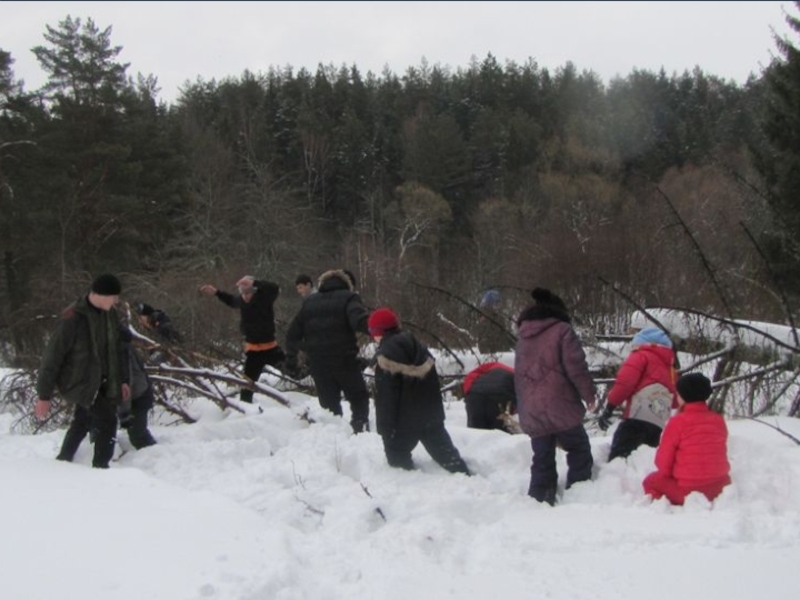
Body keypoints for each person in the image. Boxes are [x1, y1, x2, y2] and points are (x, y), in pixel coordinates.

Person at [35, 274, 131, 469]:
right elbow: (52, 357)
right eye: (114, 297)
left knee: (82, 420)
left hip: (104, 380)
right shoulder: (73, 318)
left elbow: (116, 350)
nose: (116, 301)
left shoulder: (109, 314)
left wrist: (122, 380)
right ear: (101, 295)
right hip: (79, 381)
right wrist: (44, 395)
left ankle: (63, 460)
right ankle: (100, 469)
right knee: (108, 421)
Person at [515, 287, 597, 505]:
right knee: (578, 447)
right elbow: (576, 366)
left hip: (531, 407)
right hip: (560, 403)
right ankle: (579, 494)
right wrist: (589, 394)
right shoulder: (562, 330)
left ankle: (540, 500)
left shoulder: (523, 335)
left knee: (542, 457)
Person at [369, 307, 470, 474]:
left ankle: (410, 485)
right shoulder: (418, 347)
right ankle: (469, 479)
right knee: (449, 458)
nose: (372, 336)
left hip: (402, 424)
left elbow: (387, 398)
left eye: (372, 331)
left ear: (379, 332)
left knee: (398, 464)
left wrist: (386, 430)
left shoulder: (385, 357)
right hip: (430, 418)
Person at [284, 269, 370, 433]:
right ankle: (360, 429)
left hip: (318, 363)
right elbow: (359, 320)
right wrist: (382, 332)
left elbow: (292, 335)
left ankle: (334, 435)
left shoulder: (309, 302)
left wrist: (291, 361)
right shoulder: (349, 297)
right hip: (345, 360)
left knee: (329, 408)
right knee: (358, 398)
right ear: (347, 284)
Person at [642, 373, 731, 505]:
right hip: (720, 487)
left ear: (683, 396)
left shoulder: (677, 422)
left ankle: (663, 505)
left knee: (650, 481)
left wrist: (671, 474)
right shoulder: (718, 420)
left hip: (688, 490)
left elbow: (663, 463)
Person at [200, 275, 285, 403]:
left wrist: (254, 282)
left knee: (292, 372)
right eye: (242, 293)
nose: (245, 296)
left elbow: (274, 288)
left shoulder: (264, 298)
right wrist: (216, 292)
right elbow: (230, 300)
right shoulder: (241, 301)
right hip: (253, 352)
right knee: (246, 387)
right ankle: (246, 408)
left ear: (254, 291)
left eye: (247, 292)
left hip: (270, 348)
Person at [598, 327, 678, 461]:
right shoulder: (670, 368)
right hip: (658, 421)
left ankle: (615, 471)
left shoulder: (640, 355)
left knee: (620, 458)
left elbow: (625, 383)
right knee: (644, 460)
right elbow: (675, 401)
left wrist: (610, 406)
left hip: (638, 414)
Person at [117, 346, 158, 449]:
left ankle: (155, 454)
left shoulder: (121, 352)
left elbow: (128, 383)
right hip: (137, 394)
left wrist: (124, 414)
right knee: (138, 433)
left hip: (139, 396)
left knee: (137, 435)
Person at [463, 362, 518, 433]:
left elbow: (470, 377)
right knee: (499, 433)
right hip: (499, 397)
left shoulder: (494, 365)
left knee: (475, 432)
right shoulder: (519, 376)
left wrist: (468, 393)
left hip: (475, 395)